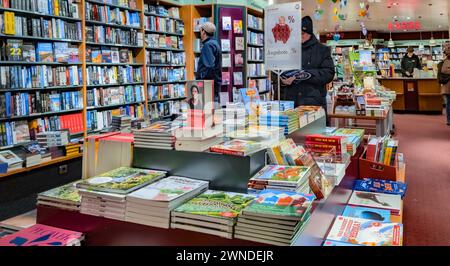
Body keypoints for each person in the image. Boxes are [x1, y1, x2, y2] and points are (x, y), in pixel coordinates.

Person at [279, 16, 335, 113]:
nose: (300, 36)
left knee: (313, 128)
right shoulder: (289, 49)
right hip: (291, 102)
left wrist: (305, 75)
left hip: (313, 104)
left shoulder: (322, 50)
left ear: (309, 33)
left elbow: (329, 73)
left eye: (303, 33)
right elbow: (279, 71)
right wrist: (282, 80)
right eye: (298, 33)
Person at [195, 22, 222, 101]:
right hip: (214, 82)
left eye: (200, 31)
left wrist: (200, 79)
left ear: (203, 32)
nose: (200, 34)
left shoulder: (208, 45)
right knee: (213, 106)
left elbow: (208, 65)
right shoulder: (215, 43)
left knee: (207, 109)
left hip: (208, 84)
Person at [437, 43, 450, 126]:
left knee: (449, 102)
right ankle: (449, 119)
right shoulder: (445, 62)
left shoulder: (443, 62)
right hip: (448, 85)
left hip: (447, 85)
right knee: (449, 102)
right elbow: (444, 72)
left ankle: (449, 119)